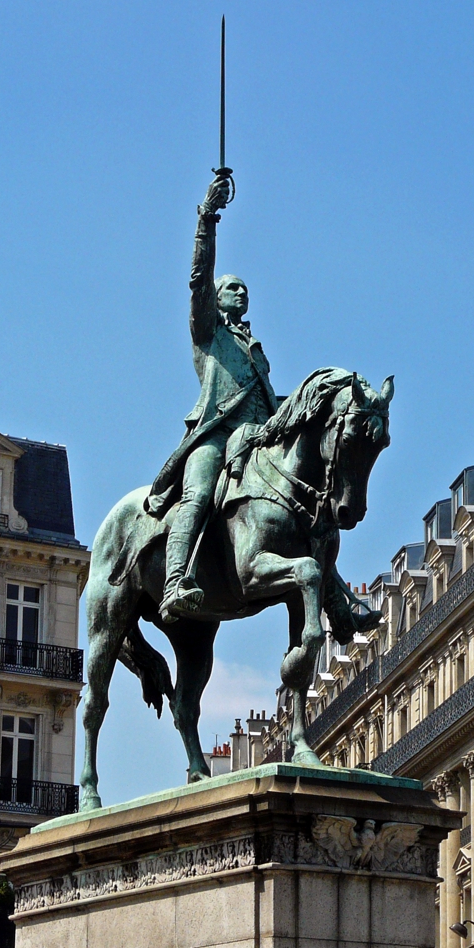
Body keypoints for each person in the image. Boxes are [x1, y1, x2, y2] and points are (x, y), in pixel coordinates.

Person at [145, 170, 278, 622]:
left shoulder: (257, 355)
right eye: (232, 287)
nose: (240, 291)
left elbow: (272, 405)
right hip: (215, 437)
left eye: (244, 288)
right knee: (198, 494)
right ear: (218, 300)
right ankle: (175, 580)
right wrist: (208, 217)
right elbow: (199, 278)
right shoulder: (209, 333)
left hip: (257, 442)